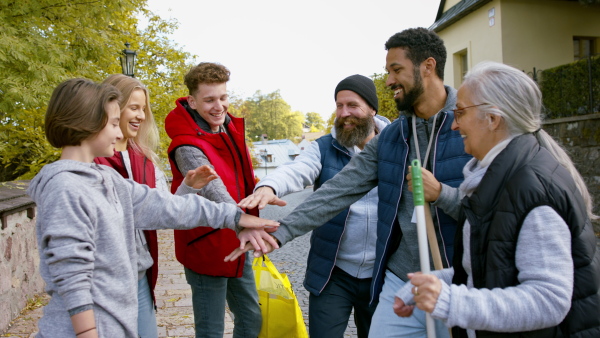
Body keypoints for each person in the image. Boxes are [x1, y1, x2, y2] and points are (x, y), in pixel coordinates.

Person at [232, 27, 471, 338]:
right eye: (388, 71)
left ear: (427, 66)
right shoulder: (393, 139)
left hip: (462, 277)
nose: (388, 81)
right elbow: (336, 191)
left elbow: (499, 205)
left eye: (396, 70)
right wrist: (279, 231)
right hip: (402, 276)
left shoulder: (470, 121)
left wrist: (442, 195)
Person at [27, 78, 278, 338]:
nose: (118, 132)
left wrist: (235, 217)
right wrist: (87, 333)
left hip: (113, 318)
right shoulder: (65, 186)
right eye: (114, 123)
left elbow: (163, 205)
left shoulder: (104, 178)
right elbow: (72, 275)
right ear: (88, 123)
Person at [394, 61, 600, 337]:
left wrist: (451, 300)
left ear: (493, 119)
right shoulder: (501, 176)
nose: (454, 125)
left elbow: (548, 300)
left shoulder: (529, 187)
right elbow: (492, 268)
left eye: (460, 112)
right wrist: (432, 282)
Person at [238, 74, 390, 338]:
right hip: (332, 272)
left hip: (382, 273)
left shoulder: (396, 145)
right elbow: (298, 169)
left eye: (352, 105)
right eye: (339, 106)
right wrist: (268, 186)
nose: (344, 113)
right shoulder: (324, 147)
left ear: (372, 109)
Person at [93, 74, 218, 338]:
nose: (140, 115)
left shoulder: (146, 159)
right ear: (112, 107)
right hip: (104, 281)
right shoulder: (94, 160)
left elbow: (162, 211)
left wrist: (188, 187)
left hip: (140, 276)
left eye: (143, 109)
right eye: (133, 107)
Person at [165, 62, 264, 338]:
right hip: (205, 244)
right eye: (209, 100)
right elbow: (215, 189)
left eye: (223, 97)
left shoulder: (227, 130)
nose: (219, 106)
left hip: (235, 241)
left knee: (251, 318)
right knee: (211, 330)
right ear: (192, 101)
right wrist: (243, 222)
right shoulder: (187, 144)